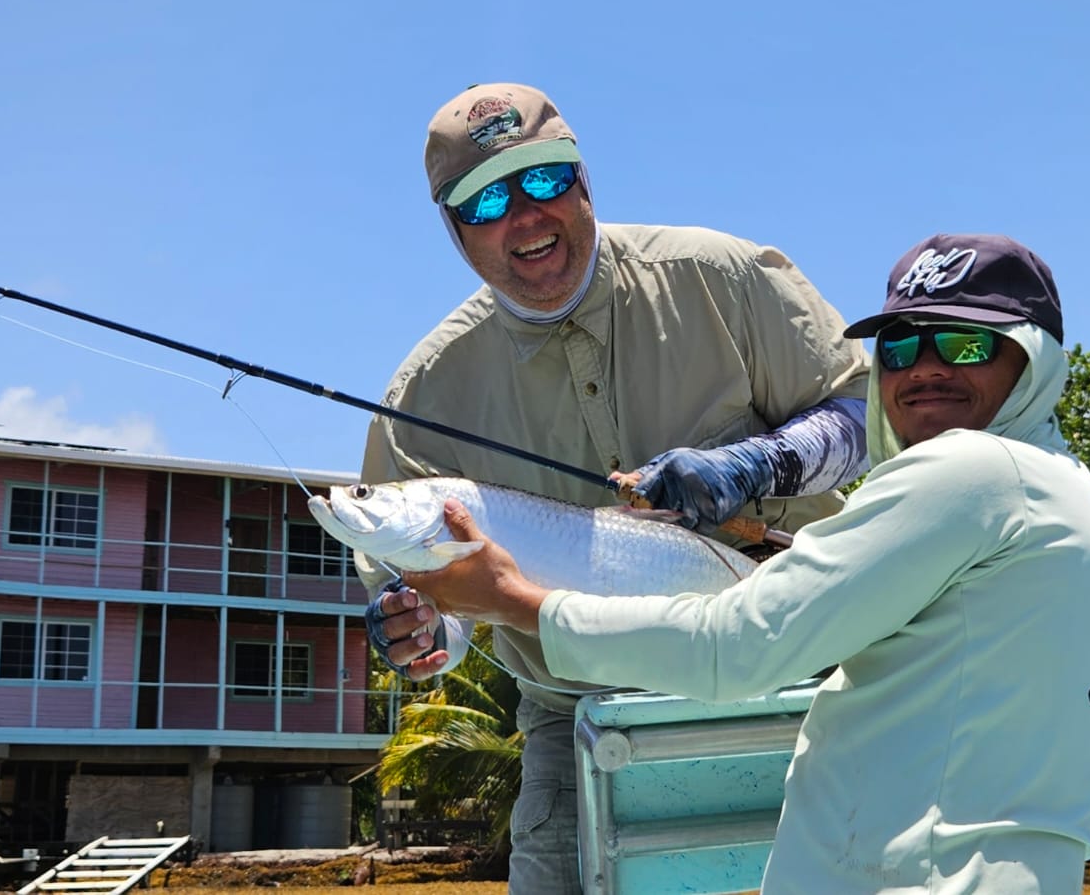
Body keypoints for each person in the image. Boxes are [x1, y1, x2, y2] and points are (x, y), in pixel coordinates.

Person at [388, 233, 1090, 894]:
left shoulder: (966, 471)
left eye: (963, 345)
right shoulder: (1057, 484)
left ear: (1034, 358)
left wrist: (515, 602)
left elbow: (739, 645)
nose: (923, 370)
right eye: (898, 350)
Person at [358, 82, 870, 894]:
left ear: (583, 179)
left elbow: (863, 414)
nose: (525, 216)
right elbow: (440, 607)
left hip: (793, 679)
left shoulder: (723, 276)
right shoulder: (422, 396)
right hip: (571, 719)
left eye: (543, 179)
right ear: (454, 228)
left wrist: (760, 464)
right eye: (487, 197)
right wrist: (426, 636)